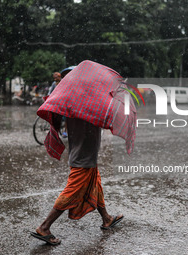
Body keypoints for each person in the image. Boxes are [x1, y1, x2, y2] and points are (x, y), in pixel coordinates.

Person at [30, 61, 132, 246]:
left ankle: (106, 218)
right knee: (72, 191)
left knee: (96, 184)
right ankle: (44, 227)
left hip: (86, 154)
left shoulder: (75, 99)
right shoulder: (85, 101)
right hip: (83, 156)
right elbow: (106, 117)